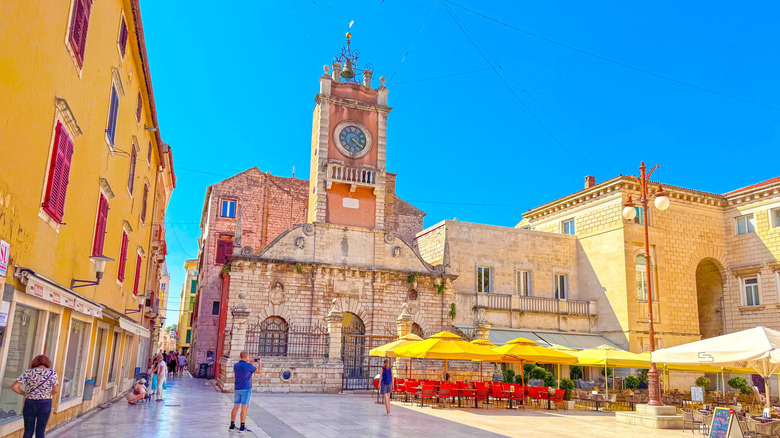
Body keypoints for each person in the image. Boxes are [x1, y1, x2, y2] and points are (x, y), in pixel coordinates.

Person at [11, 355, 59, 438]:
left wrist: (24, 393)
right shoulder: (52, 373)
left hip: (30, 402)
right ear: (47, 363)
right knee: (41, 430)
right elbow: (55, 390)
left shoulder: (28, 372)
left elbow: (14, 387)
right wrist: (48, 394)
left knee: (28, 429)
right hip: (45, 403)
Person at [230, 351, 262, 432]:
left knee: (235, 407)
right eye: (248, 356)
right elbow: (259, 371)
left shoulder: (236, 365)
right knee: (244, 408)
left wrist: (250, 363)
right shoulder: (249, 366)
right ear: (246, 357)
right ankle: (242, 426)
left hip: (237, 388)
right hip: (246, 389)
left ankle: (232, 424)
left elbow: (244, 368)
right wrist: (260, 364)